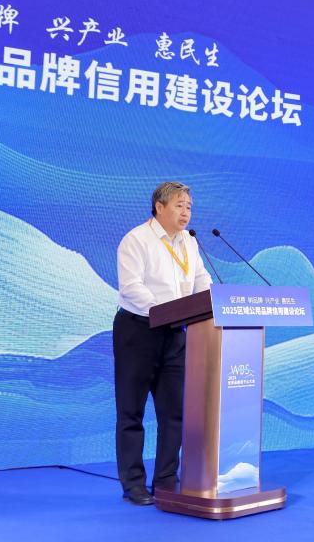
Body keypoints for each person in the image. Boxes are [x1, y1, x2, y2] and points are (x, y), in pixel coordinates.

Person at [114, 181, 212, 505]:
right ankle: (133, 484)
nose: (186, 212)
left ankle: (167, 479)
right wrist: (166, 311)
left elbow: (201, 280)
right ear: (159, 207)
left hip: (175, 333)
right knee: (132, 411)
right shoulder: (136, 240)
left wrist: (213, 301)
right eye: (179, 205)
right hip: (138, 330)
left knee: (174, 413)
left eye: (189, 207)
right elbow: (131, 288)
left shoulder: (189, 242)